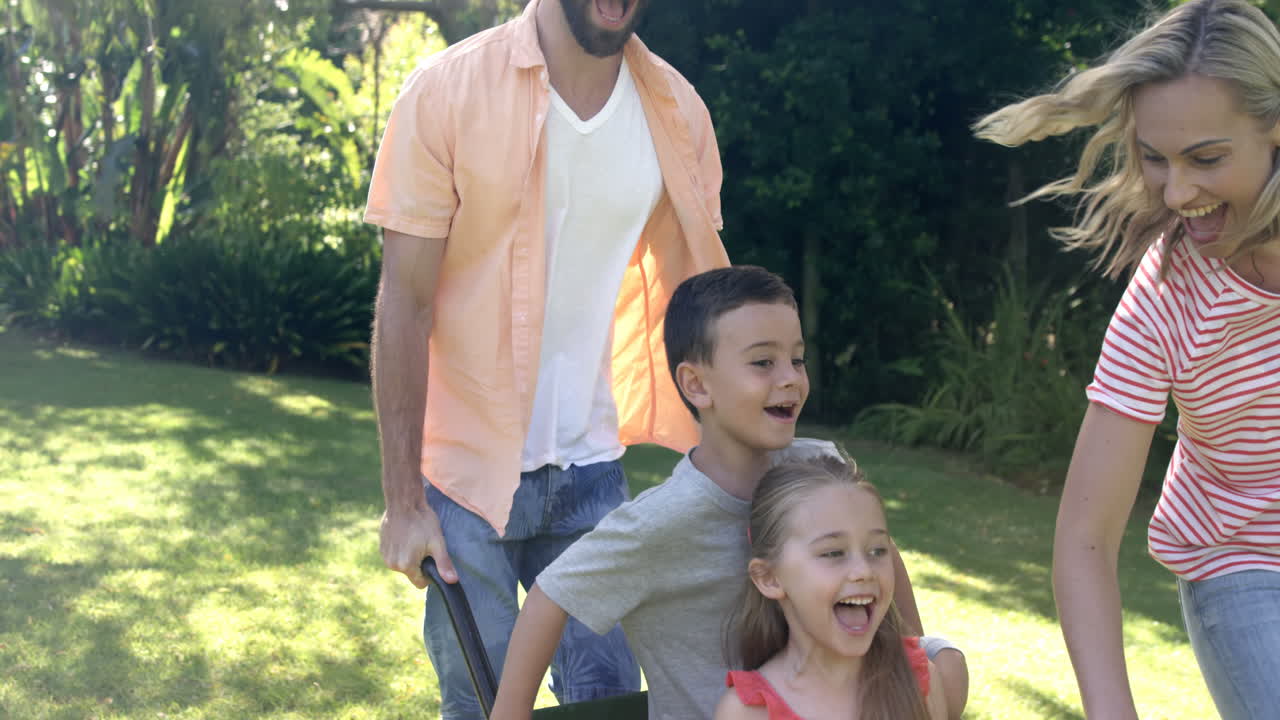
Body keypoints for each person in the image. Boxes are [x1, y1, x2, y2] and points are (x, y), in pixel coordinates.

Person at [362, 0, 728, 716]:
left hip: (595, 470)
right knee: (484, 705)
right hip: (466, 482)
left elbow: (704, 299)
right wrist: (403, 502)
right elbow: (404, 302)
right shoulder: (444, 92)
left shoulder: (680, 112)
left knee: (611, 701)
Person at [973, 1, 1280, 717]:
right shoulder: (1167, 297)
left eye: (1206, 158)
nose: (1176, 193)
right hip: (1241, 562)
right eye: (1155, 157)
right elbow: (1085, 540)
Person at [491, 266, 965, 719]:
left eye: (797, 359)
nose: (790, 378)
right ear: (696, 385)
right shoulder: (661, 523)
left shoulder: (819, 465)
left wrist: (908, 656)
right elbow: (552, 594)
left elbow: (878, 547)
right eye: (763, 362)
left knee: (944, 664)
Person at [713, 454, 948, 720]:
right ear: (769, 578)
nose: (863, 571)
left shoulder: (919, 683)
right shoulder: (748, 712)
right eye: (834, 553)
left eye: (877, 550)